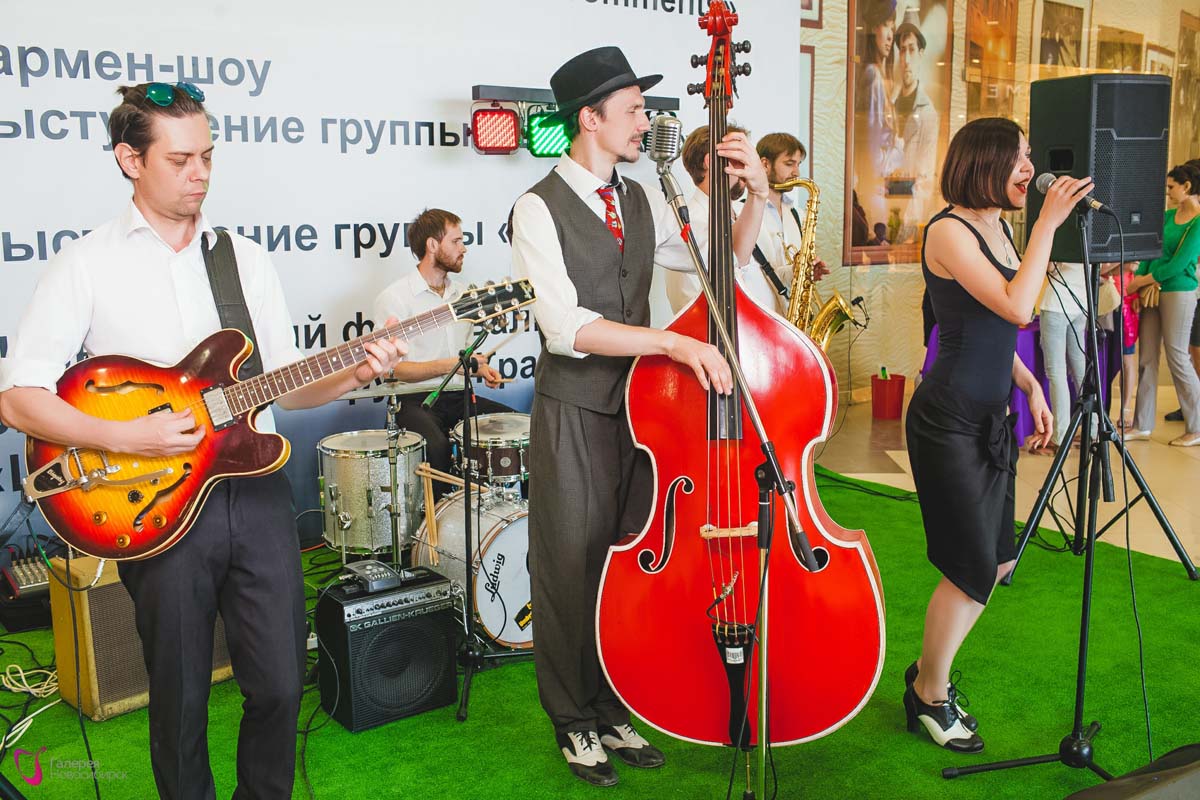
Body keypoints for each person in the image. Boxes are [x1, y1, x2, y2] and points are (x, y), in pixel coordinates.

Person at [0, 83, 405, 800]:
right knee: (180, 695)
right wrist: (128, 433)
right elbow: (18, 398)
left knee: (282, 682)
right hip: (154, 506)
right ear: (129, 159)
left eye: (208, 157)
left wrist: (353, 373)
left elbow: (284, 385)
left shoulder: (241, 257)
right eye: (180, 159)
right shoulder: (85, 263)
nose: (200, 174)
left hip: (254, 491)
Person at [509, 45, 766, 787]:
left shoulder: (644, 197)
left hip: (643, 417)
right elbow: (564, 326)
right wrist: (670, 344)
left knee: (627, 563)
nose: (645, 122)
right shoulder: (536, 207)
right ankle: (572, 719)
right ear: (589, 119)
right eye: (632, 110)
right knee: (570, 567)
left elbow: (724, 263)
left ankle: (613, 705)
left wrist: (753, 195)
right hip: (573, 412)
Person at [904, 117, 1092, 752]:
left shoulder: (998, 227)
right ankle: (929, 695)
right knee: (971, 567)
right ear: (983, 162)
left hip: (991, 414)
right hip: (948, 417)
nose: (1029, 169)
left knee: (999, 559)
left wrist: (1031, 383)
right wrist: (1047, 227)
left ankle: (928, 670)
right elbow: (1016, 306)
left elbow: (994, 323)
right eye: (1018, 157)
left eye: (1029, 155)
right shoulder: (948, 231)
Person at [372, 208, 514, 496]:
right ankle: (437, 520)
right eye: (456, 241)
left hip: (459, 396)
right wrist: (451, 365)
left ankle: (507, 514)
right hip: (415, 401)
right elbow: (391, 371)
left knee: (513, 427)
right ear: (432, 245)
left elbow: (465, 356)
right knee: (436, 446)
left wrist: (480, 368)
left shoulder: (463, 295)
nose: (464, 248)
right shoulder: (394, 298)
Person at [1123, 163, 1200, 446]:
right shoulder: (1167, 217)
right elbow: (1150, 252)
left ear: (1187, 187)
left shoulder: (1197, 223)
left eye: (1171, 187)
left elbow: (1180, 263)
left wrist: (1142, 281)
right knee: (1147, 357)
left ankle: (1197, 425)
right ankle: (1142, 424)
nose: (1167, 192)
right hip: (1151, 290)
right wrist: (1140, 281)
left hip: (1178, 291)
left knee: (1177, 355)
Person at [661, 123, 776, 314]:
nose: (748, 167)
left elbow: (758, 276)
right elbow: (688, 307)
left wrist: (791, 274)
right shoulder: (686, 224)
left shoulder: (746, 211)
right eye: (740, 158)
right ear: (711, 162)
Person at [892, 9, 940, 242]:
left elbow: (925, 180)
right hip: (886, 212)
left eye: (911, 50)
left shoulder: (928, 113)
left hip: (908, 220)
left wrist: (907, 230)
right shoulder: (889, 104)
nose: (906, 59)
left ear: (920, 54)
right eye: (902, 50)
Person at [1034, 261, 1089, 454]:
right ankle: (1092, 430)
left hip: (1057, 302)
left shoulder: (1057, 239)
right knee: (1081, 370)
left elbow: (1048, 266)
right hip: (1081, 302)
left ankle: (1060, 437)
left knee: (1056, 373)